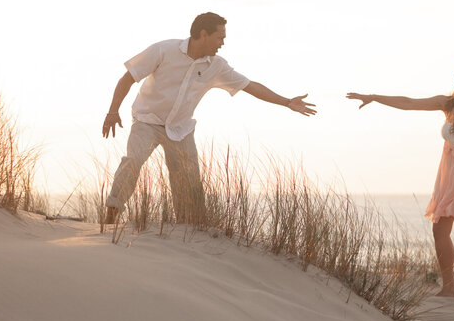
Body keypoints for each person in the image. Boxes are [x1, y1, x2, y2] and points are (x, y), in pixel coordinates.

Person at [102, 12, 316, 228]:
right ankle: (112, 213)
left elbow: (251, 86)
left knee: (188, 179)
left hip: (180, 129)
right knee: (133, 160)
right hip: (147, 120)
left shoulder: (217, 66)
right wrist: (113, 112)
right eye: (219, 37)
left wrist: (287, 102)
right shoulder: (164, 50)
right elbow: (128, 77)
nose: (222, 43)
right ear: (203, 35)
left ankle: (189, 228)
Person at [347, 59, 454, 302]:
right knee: (439, 229)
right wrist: (374, 97)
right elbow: (408, 103)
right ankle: (448, 286)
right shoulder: (449, 104)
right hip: (448, 177)